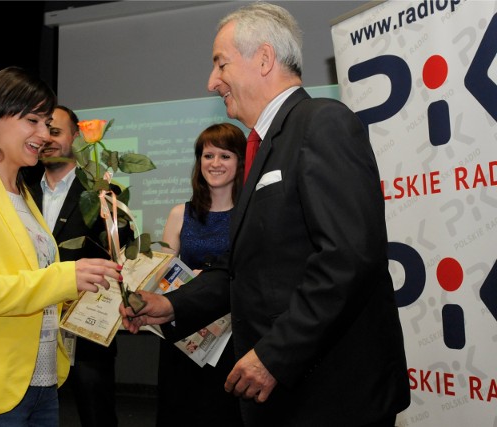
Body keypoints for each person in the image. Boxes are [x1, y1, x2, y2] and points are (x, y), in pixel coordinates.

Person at [120, 3, 411, 427]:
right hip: (287, 397)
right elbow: (243, 269)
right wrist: (170, 303)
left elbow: (348, 258)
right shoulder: (264, 146)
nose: (211, 82)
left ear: (263, 58)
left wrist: (275, 354)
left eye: (220, 64)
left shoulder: (322, 123)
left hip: (331, 398)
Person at [0, 66, 122, 427]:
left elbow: (32, 286)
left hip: (42, 384)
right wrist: (62, 278)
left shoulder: (25, 196)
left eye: (47, 124)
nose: (43, 134)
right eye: (33, 121)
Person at [30, 105, 119, 427]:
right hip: (29, 326)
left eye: (55, 131)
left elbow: (119, 257)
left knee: (96, 414)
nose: (47, 139)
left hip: (86, 328)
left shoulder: (102, 194)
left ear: (76, 137)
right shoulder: (19, 192)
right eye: (41, 131)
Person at [156, 123, 245, 427]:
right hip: (184, 338)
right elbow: (160, 274)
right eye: (208, 156)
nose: (215, 164)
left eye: (225, 156)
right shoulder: (180, 213)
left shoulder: (251, 214)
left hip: (232, 341)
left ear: (241, 161)